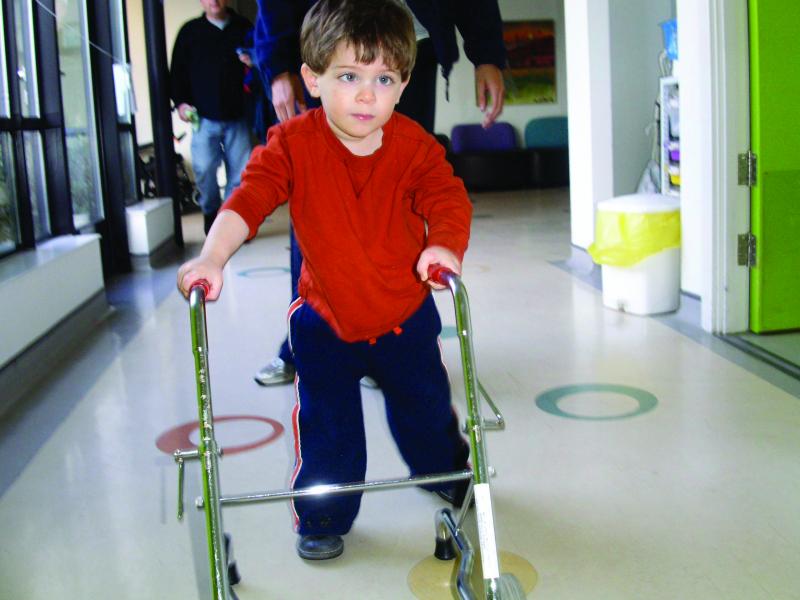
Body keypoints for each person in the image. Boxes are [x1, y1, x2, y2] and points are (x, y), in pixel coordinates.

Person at [177, 0, 471, 560]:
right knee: (326, 428)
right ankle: (324, 514)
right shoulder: (293, 144)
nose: (367, 94)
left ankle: (451, 478)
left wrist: (443, 245)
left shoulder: (415, 148)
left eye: (384, 78)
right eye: (348, 77)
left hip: (404, 316)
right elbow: (250, 198)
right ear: (311, 79)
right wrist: (212, 257)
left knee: (427, 412)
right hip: (324, 320)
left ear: (404, 83)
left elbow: (448, 198)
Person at [252, 0, 507, 386]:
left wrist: (487, 53)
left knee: (395, 203)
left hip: (405, 46)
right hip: (330, 45)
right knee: (318, 204)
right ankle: (304, 342)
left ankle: (383, 340)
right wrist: (276, 66)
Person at [170, 0, 254, 234]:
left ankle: (228, 221)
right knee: (204, 168)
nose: (214, 1)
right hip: (204, 116)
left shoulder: (243, 27)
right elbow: (177, 71)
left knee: (240, 174)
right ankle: (210, 213)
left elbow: (260, 63)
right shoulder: (190, 32)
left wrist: (252, 61)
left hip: (238, 114)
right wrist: (180, 103)